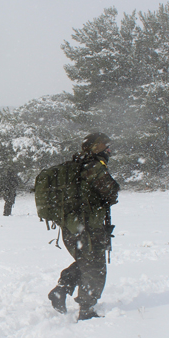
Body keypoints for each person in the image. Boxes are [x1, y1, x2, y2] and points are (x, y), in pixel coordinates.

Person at [47, 133, 119, 320]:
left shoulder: (73, 167)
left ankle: (61, 290)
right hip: (88, 228)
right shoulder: (93, 168)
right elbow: (111, 192)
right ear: (96, 148)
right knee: (95, 267)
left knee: (87, 262)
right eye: (105, 147)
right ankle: (86, 310)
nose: (109, 151)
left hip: (71, 228)